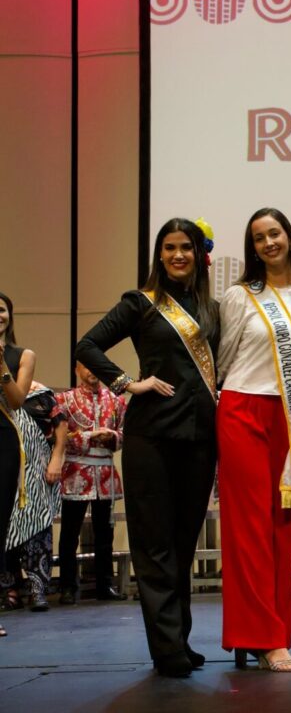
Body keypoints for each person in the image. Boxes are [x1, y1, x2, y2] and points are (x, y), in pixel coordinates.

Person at [76, 218, 219, 677]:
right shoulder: (140, 303)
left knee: (181, 543)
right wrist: (127, 383)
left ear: (199, 254)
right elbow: (88, 344)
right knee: (154, 544)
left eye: (186, 247)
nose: (178, 255)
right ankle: (166, 648)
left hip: (199, 439)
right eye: (170, 247)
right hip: (151, 437)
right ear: (159, 254)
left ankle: (179, 638)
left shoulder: (211, 308)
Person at [218, 208, 291, 672]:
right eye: (259, 238)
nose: (269, 243)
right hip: (243, 410)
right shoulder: (239, 296)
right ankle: (262, 638)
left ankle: (273, 634)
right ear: (252, 248)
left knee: (283, 528)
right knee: (247, 528)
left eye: (275, 233)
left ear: (289, 237)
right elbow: (223, 359)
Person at [55, 362, 127, 604]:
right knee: (69, 534)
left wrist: (113, 436)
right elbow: (59, 437)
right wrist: (89, 436)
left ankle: (105, 585)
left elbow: (126, 432)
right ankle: (67, 586)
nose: (91, 371)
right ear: (76, 369)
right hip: (76, 471)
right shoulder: (64, 399)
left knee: (104, 533)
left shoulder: (115, 400)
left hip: (105, 473)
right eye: (86, 366)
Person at [1, 380, 65, 614]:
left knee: (38, 530)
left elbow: (61, 426)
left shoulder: (40, 393)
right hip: (6, 472)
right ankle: (10, 590)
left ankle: (38, 588)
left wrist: (56, 458)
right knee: (5, 531)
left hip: (36, 475)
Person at [0, 290, 37, 638]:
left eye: (1, 310)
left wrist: (0, 365)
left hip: (3, 440)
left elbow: (16, 401)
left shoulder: (21, 355)